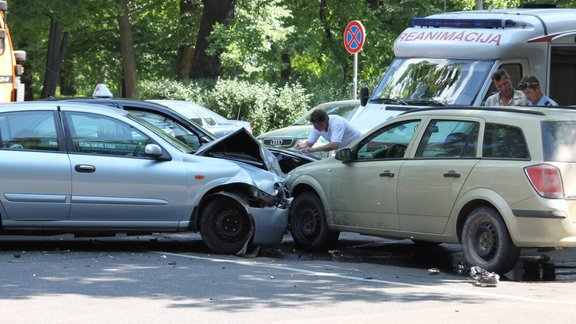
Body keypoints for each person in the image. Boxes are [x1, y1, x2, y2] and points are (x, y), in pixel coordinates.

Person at [294, 109, 362, 153]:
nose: (314, 127)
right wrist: (300, 146)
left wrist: (315, 149)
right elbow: (309, 143)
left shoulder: (337, 122)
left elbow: (334, 145)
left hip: (360, 146)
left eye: (316, 125)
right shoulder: (316, 127)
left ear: (323, 123)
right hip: (344, 151)